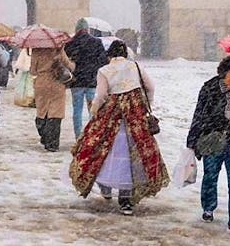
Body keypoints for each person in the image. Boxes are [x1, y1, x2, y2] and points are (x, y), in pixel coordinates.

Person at [70, 41, 170, 216]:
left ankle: (106, 187)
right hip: (135, 116)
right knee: (134, 152)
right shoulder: (135, 66)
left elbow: (100, 95)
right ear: (125, 54)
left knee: (104, 149)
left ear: (110, 55)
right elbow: (150, 87)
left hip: (112, 116)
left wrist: (95, 111)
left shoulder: (104, 71)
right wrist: (145, 104)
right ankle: (126, 199)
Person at [186, 55, 230, 236]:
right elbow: (199, 114)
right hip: (213, 139)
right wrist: (192, 141)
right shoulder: (210, 88)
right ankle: (208, 206)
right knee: (211, 175)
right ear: (223, 75)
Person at [64, 18, 109, 138]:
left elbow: (66, 61)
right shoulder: (96, 42)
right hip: (92, 81)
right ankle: (91, 134)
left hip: (76, 81)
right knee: (92, 109)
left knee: (77, 110)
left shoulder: (70, 43)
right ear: (87, 28)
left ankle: (78, 135)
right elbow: (103, 61)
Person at [30, 45, 75, 152]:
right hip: (57, 83)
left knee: (41, 110)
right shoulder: (58, 49)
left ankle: (44, 134)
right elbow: (69, 66)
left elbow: (32, 71)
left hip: (41, 83)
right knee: (55, 112)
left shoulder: (36, 51)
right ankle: (52, 143)